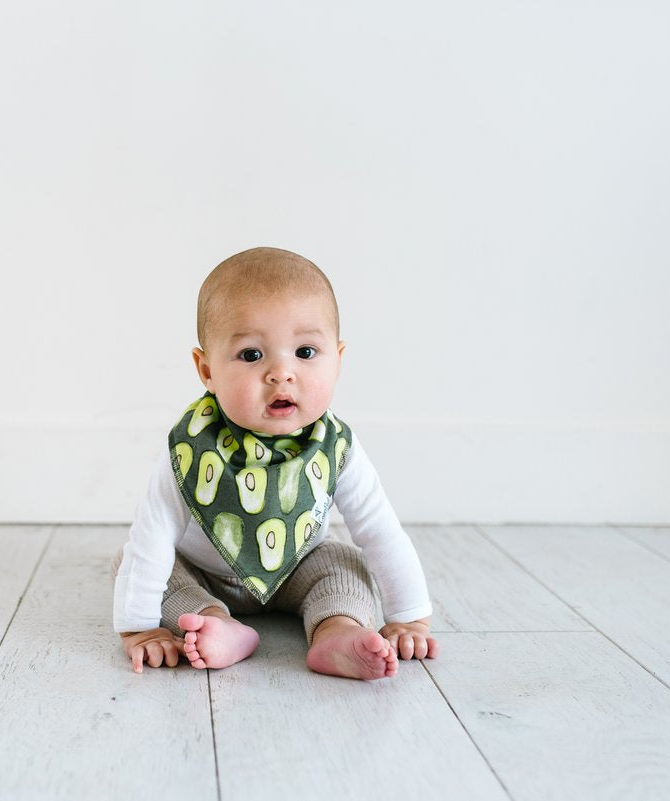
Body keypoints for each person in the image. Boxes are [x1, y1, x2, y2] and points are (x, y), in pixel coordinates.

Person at [111, 247, 439, 680]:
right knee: (140, 563)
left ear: (338, 360)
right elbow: (153, 533)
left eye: (305, 352)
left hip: (299, 565)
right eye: (251, 355)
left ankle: (336, 630)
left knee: (343, 564)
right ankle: (216, 624)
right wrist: (138, 626)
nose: (281, 373)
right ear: (206, 370)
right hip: (204, 572)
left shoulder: (335, 447)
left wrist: (410, 616)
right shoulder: (190, 447)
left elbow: (379, 530)